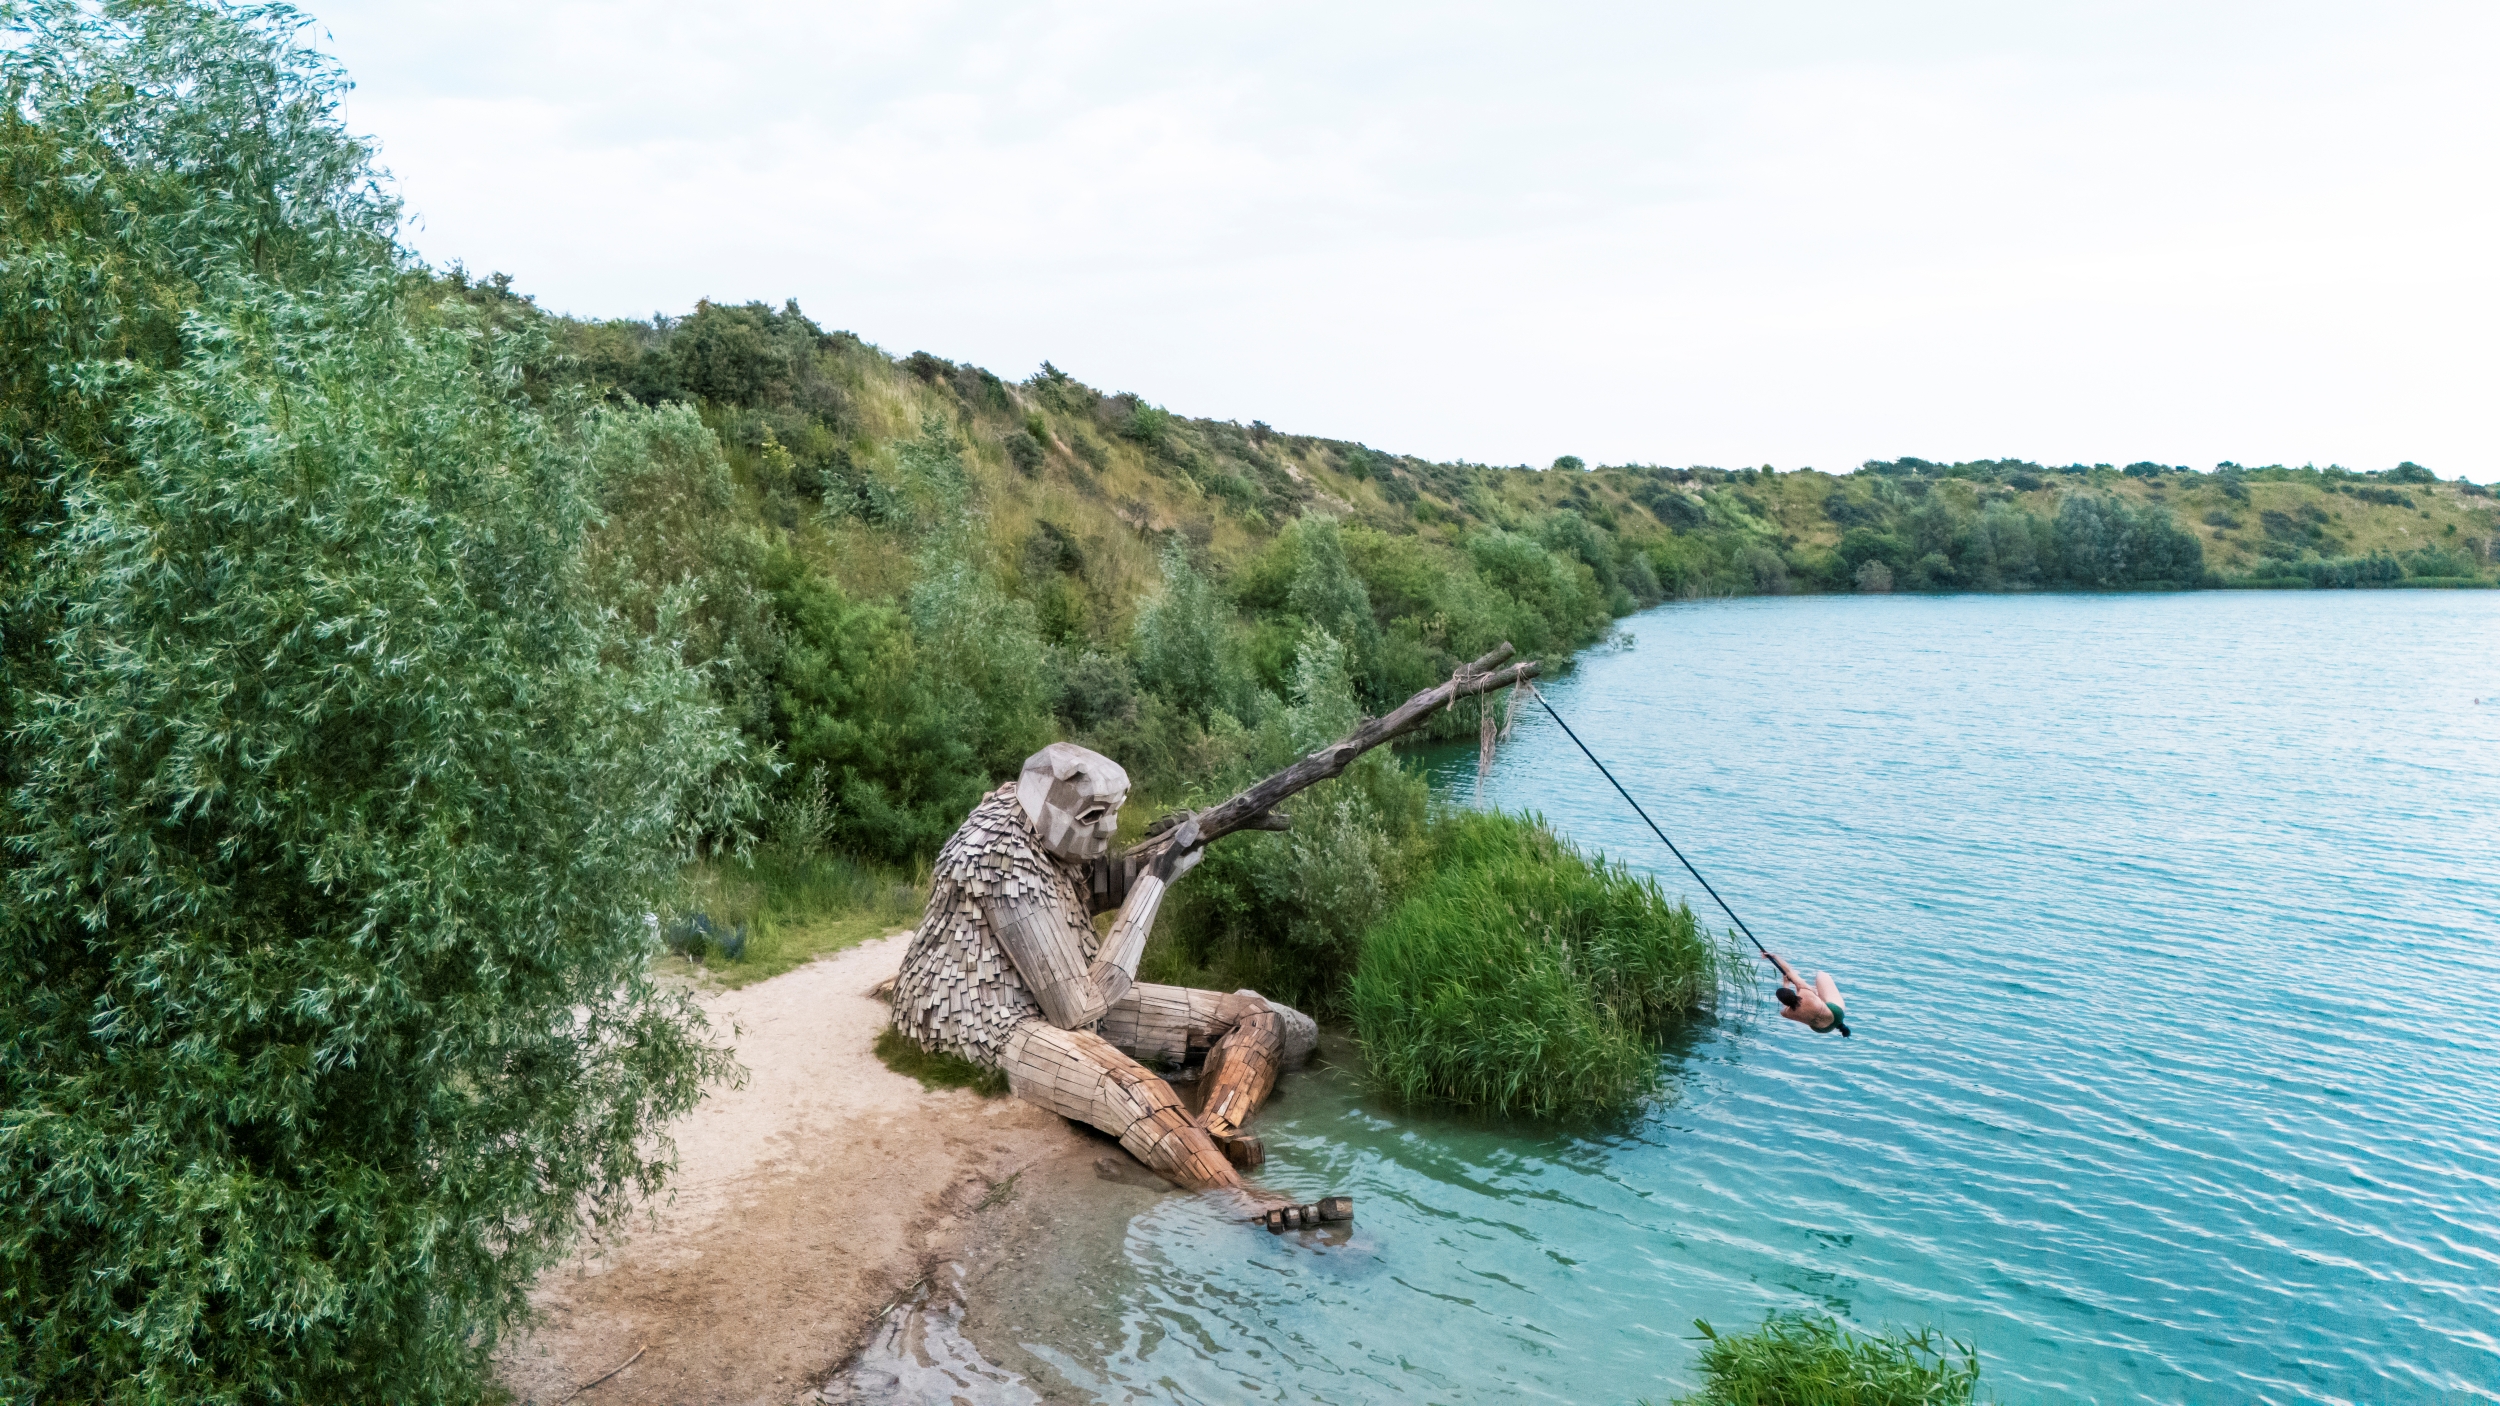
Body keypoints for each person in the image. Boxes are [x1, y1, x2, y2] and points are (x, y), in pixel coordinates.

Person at [888, 742, 1346, 1233]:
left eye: (1113, 814)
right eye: (1093, 817)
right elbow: (1075, 1009)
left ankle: (1218, 1129)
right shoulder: (996, 862)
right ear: (1045, 799)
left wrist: (1172, 848)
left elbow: (1089, 885)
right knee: (1136, 1085)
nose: (1107, 831)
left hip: (1067, 987)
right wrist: (1155, 882)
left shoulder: (1039, 825)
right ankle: (1237, 1198)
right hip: (994, 1018)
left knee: (1255, 1018)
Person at [1764, 951, 1851, 1036]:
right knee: (1821, 975)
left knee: (1813, 994)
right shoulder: (1804, 993)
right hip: (1835, 1014)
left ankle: (1816, 996)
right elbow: (1789, 971)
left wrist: (1786, 984)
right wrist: (1775, 957)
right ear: (1792, 993)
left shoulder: (1786, 1014)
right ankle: (1816, 995)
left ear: (1782, 1002)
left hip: (1822, 1029)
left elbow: (1787, 1007)